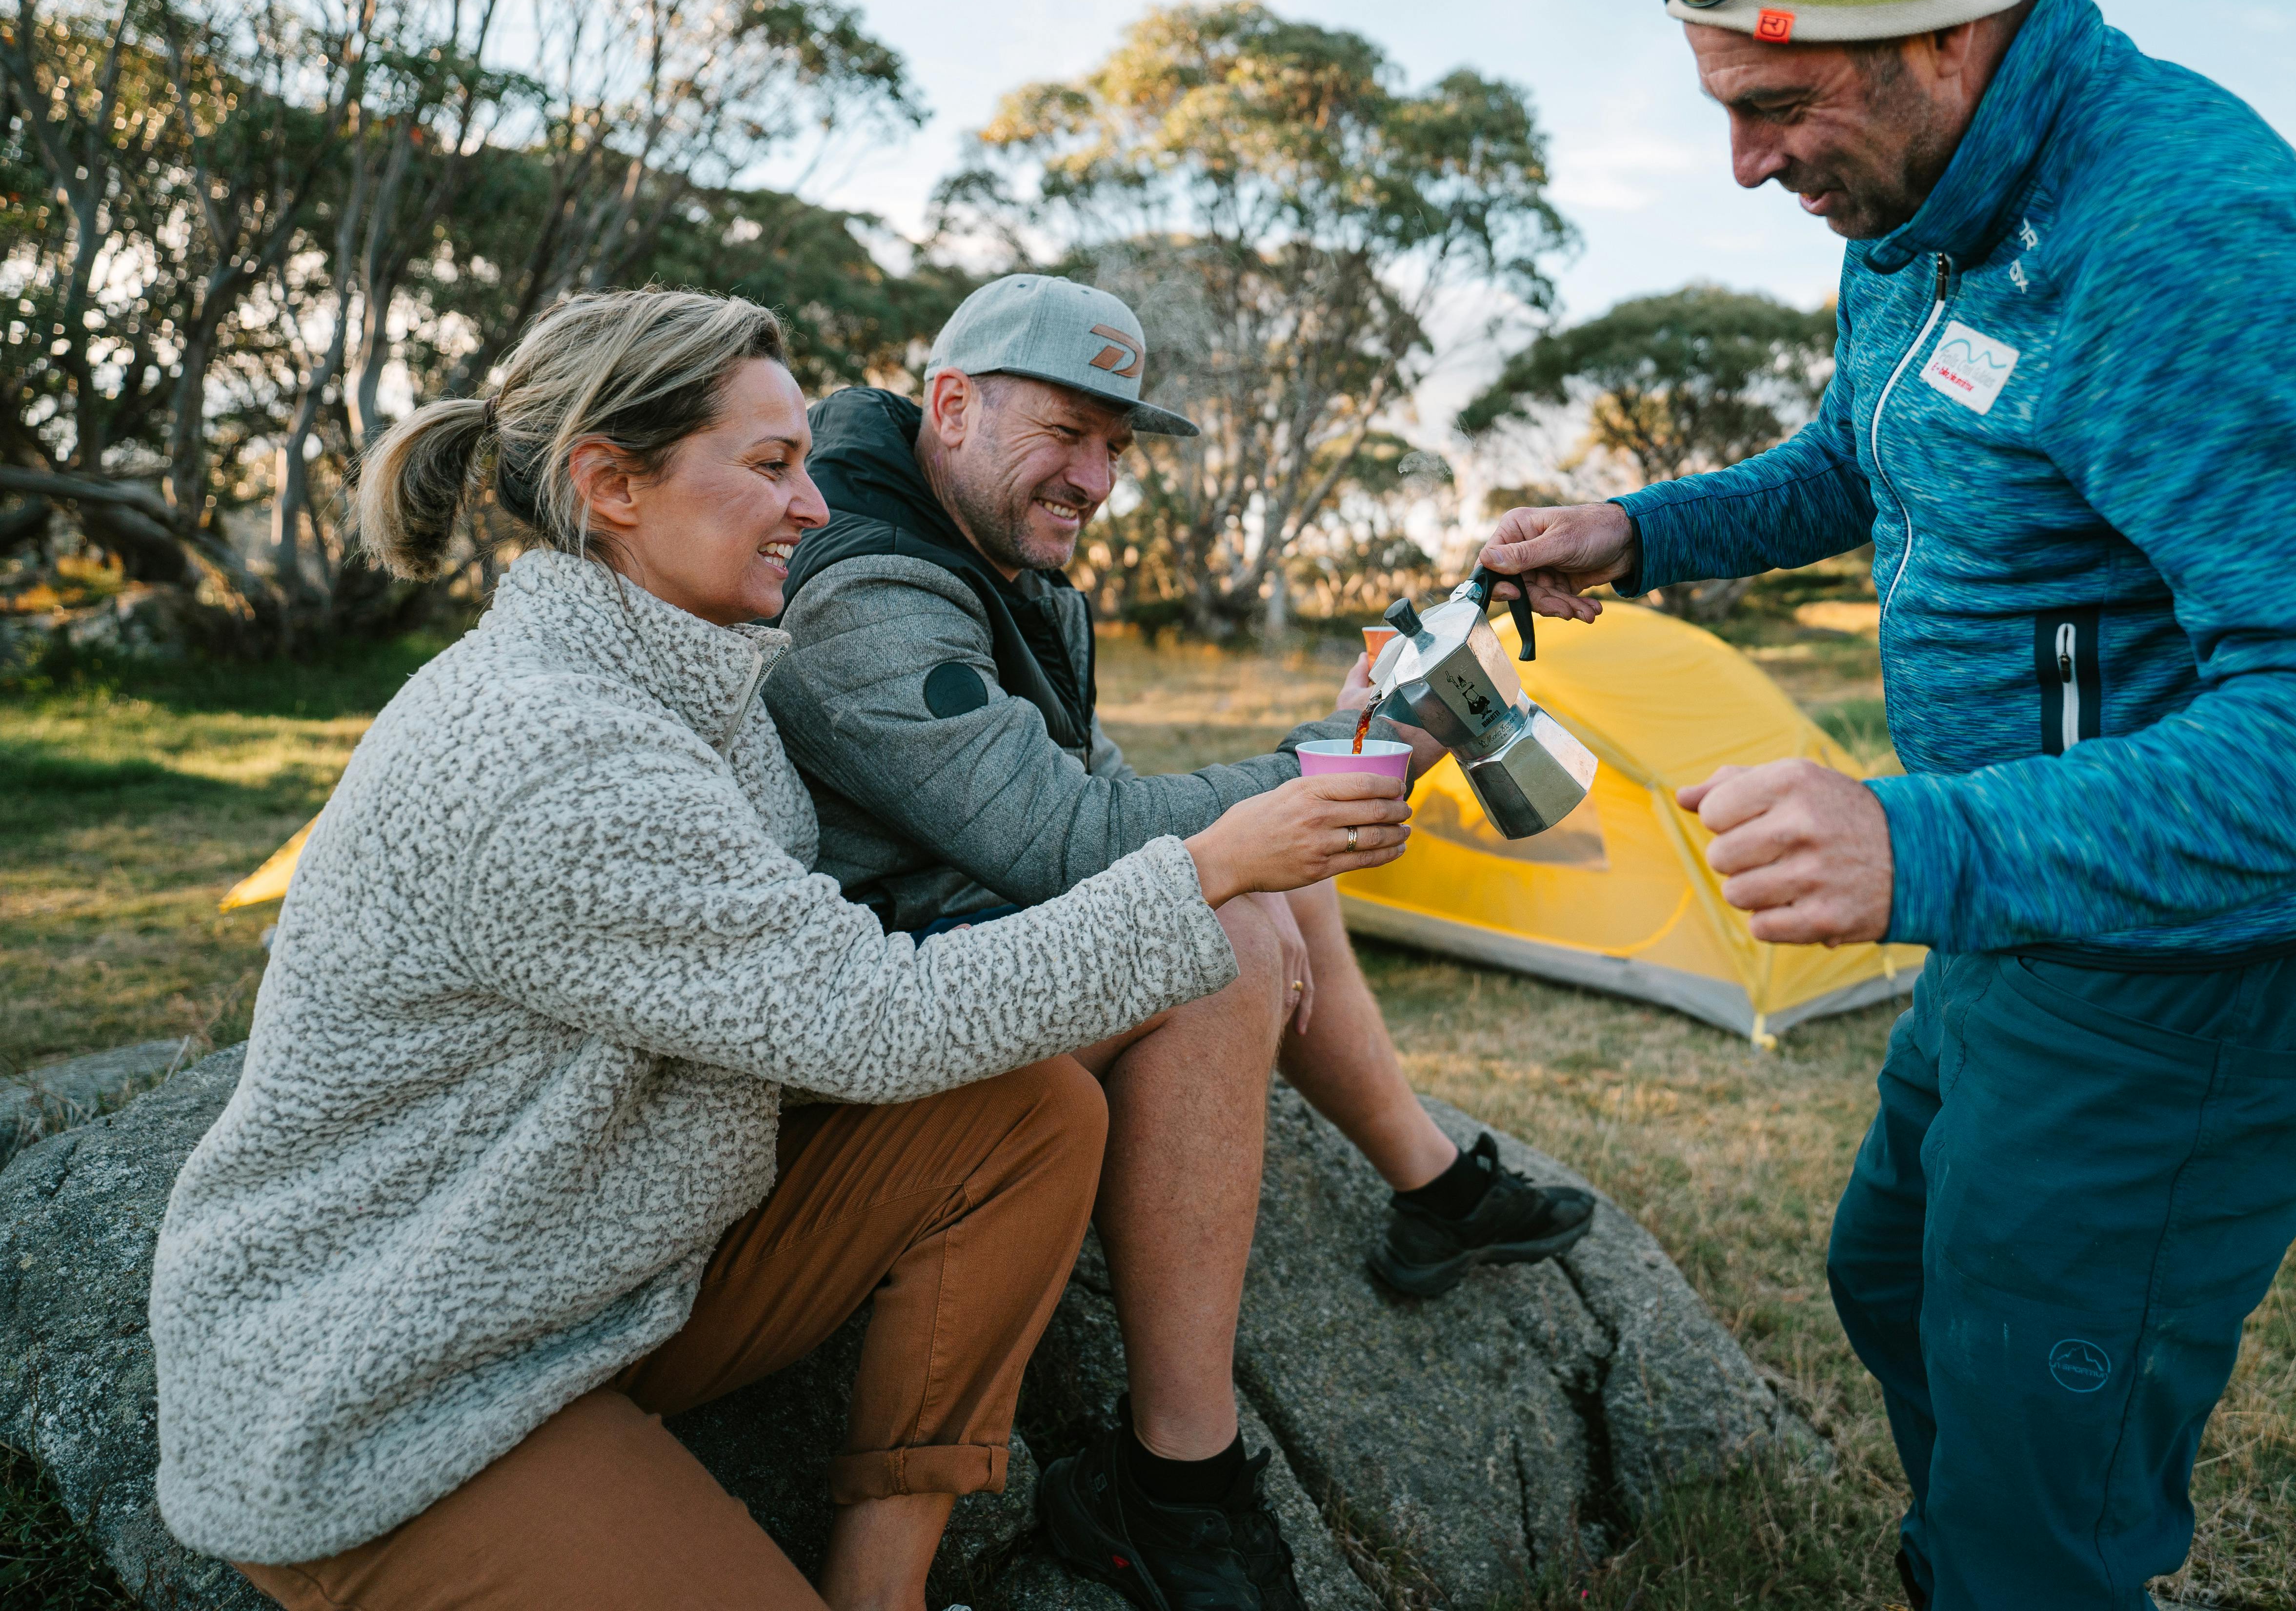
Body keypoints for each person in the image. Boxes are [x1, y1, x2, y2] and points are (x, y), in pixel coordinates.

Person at [1474, 0, 2296, 1611]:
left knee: (2042, 1425)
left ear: (1944, 32)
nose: (1750, 166)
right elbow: (1867, 450)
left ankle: (2028, 1563)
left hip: (2194, 959)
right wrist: (1641, 530)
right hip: (2024, 905)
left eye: (1774, 106)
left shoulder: (2181, 243)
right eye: (1724, 108)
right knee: (1890, 1270)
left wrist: (1920, 847)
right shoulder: (1915, 211)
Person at [148, 290, 1411, 1611]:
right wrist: (1218, 867)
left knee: (1027, 1116)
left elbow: (824, 987)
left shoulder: (702, 670)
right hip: (393, 1382)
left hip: (593, 1281)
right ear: (610, 485)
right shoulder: (547, 750)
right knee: (1050, 1031)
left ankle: (887, 1590)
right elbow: (870, 1020)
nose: (814, 508)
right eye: (770, 468)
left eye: (808, 461)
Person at [760, 272, 1595, 1611]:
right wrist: (1331, 776)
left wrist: (1340, 757)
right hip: (874, 1008)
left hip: (955, 927)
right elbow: (1058, 836)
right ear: (953, 403)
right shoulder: (863, 587)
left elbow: (1106, 796)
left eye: (1117, 446)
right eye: (1067, 433)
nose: (1096, 476)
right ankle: (1176, 1475)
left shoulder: (994, 544)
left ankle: (1432, 1188)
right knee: (1233, 931)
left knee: (1270, 853)